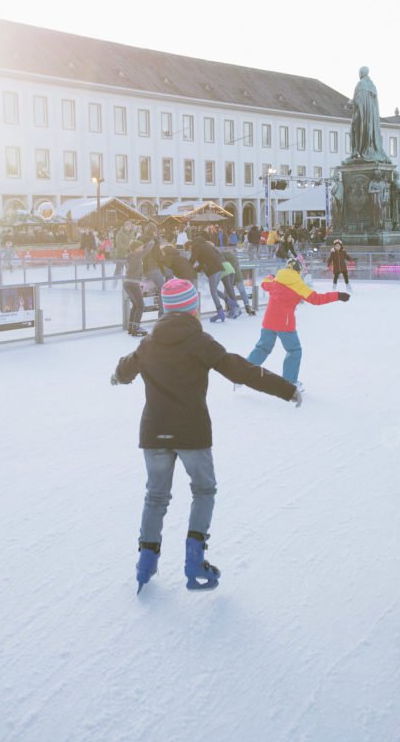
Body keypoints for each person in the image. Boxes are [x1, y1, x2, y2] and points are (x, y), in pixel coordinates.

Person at [111, 278, 302, 593]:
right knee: (203, 490)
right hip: (192, 432)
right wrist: (286, 388)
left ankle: (145, 562)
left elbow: (126, 368)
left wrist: (117, 376)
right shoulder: (200, 342)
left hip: (154, 432)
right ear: (193, 309)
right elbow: (241, 370)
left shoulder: (149, 344)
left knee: (156, 497)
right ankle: (194, 561)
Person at [246, 258, 350, 389]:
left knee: (262, 348)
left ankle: (242, 373)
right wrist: (337, 295)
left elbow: (264, 283)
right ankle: (289, 382)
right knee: (294, 350)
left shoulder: (275, 281)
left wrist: (270, 276)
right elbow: (317, 299)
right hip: (285, 324)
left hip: (268, 322)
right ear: (298, 271)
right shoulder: (298, 284)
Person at [187, 235, 238, 321]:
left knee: (213, 291)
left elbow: (193, 259)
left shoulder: (196, 246)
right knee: (214, 290)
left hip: (213, 270)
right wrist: (196, 269)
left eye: (188, 249)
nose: (189, 250)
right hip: (219, 268)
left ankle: (221, 311)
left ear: (190, 245)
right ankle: (230, 303)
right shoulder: (205, 245)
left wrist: (187, 266)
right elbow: (204, 261)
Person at [346, 66, 390, 161]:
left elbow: (358, 101)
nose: (359, 74)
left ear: (362, 73)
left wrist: (350, 103)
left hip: (361, 116)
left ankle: (355, 152)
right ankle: (363, 150)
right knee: (363, 133)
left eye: (359, 72)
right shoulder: (372, 86)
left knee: (353, 132)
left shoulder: (360, 84)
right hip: (371, 119)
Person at [123, 239, 156, 337]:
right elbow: (147, 250)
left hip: (128, 282)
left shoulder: (130, 257)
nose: (142, 249)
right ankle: (136, 328)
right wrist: (152, 241)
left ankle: (131, 327)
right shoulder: (136, 255)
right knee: (141, 306)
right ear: (136, 249)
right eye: (140, 247)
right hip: (133, 283)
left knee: (136, 305)